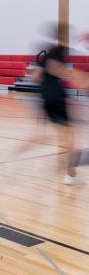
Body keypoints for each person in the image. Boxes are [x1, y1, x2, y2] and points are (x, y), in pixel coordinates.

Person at [28, 25, 89, 185]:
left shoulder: (46, 53)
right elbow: (57, 69)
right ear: (62, 35)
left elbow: (34, 77)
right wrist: (79, 77)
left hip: (45, 97)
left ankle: (66, 167)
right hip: (56, 95)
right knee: (74, 133)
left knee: (64, 134)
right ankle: (70, 174)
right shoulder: (60, 50)